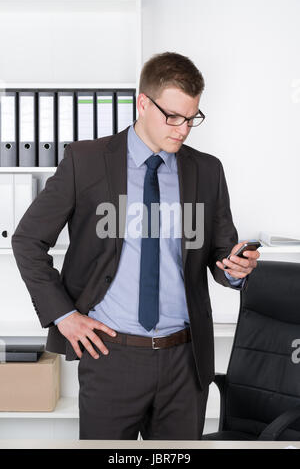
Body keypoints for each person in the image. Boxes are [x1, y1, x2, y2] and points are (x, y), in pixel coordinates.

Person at [12, 51, 260, 440]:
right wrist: (64, 316)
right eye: (173, 116)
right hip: (112, 356)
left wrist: (233, 269)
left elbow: (218, 253)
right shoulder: (86, 161)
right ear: (143, 103)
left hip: (185, 360)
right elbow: (27, 240)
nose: (183, 129)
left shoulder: (207, 170)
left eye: (192, 118)